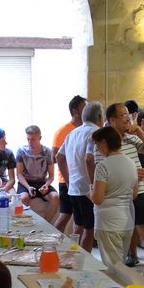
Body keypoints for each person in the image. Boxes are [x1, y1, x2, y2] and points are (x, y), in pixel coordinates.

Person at [105, 102, 144, 273]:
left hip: (139, 192)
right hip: (118, 196)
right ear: (112, 120)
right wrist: (132, 174)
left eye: (128, 114)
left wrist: (140, 132)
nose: (128, 118)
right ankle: (117, 273)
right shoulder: (104, 142)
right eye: (123, 115)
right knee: (118, 238)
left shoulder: (132, 138)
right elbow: (104, 170)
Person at [89, 126, 139, 267]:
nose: (97, 148)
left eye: (97, 144)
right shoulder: (131, 163)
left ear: (104, 142)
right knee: (120, 266)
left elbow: (98, 199)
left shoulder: (103, 166)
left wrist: (90, 192)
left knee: (113, 269)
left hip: (108, 223)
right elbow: (134, 194)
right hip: (126, 221)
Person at [60, 101, 105, 251]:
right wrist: (93, 185)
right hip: (87, 189)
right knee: (89, 229)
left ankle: (71, 256)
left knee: (78, 226)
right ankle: (84, 261)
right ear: (100, 117)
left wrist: (68, 180)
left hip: (74, 187)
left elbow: (59, 157)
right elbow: (89, 158)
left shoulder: (72, 133)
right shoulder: (95, 133)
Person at [52, 95, 86, 233]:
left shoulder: (84, 130)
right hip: (67, 180)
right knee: (66, 216)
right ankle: (52, 241)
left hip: (80, 181)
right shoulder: (63, 131)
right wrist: (67, 180)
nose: (87, 111)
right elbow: (55, 157)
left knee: (80, 220)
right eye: (84, 108)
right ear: (75, 111)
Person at [16, 125, 59, 222]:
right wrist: (28, 187)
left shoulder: (47, 152)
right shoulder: (21, 151)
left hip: (42, 182)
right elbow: (19, 174)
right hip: (26, 182)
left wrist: (46, 185)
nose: (30, 142)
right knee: (23, 198)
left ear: (40, 138)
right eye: (28, 139)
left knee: (55, 197)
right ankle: (24, 224)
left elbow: (51, 176)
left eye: (33, 139)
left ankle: (45, 224)